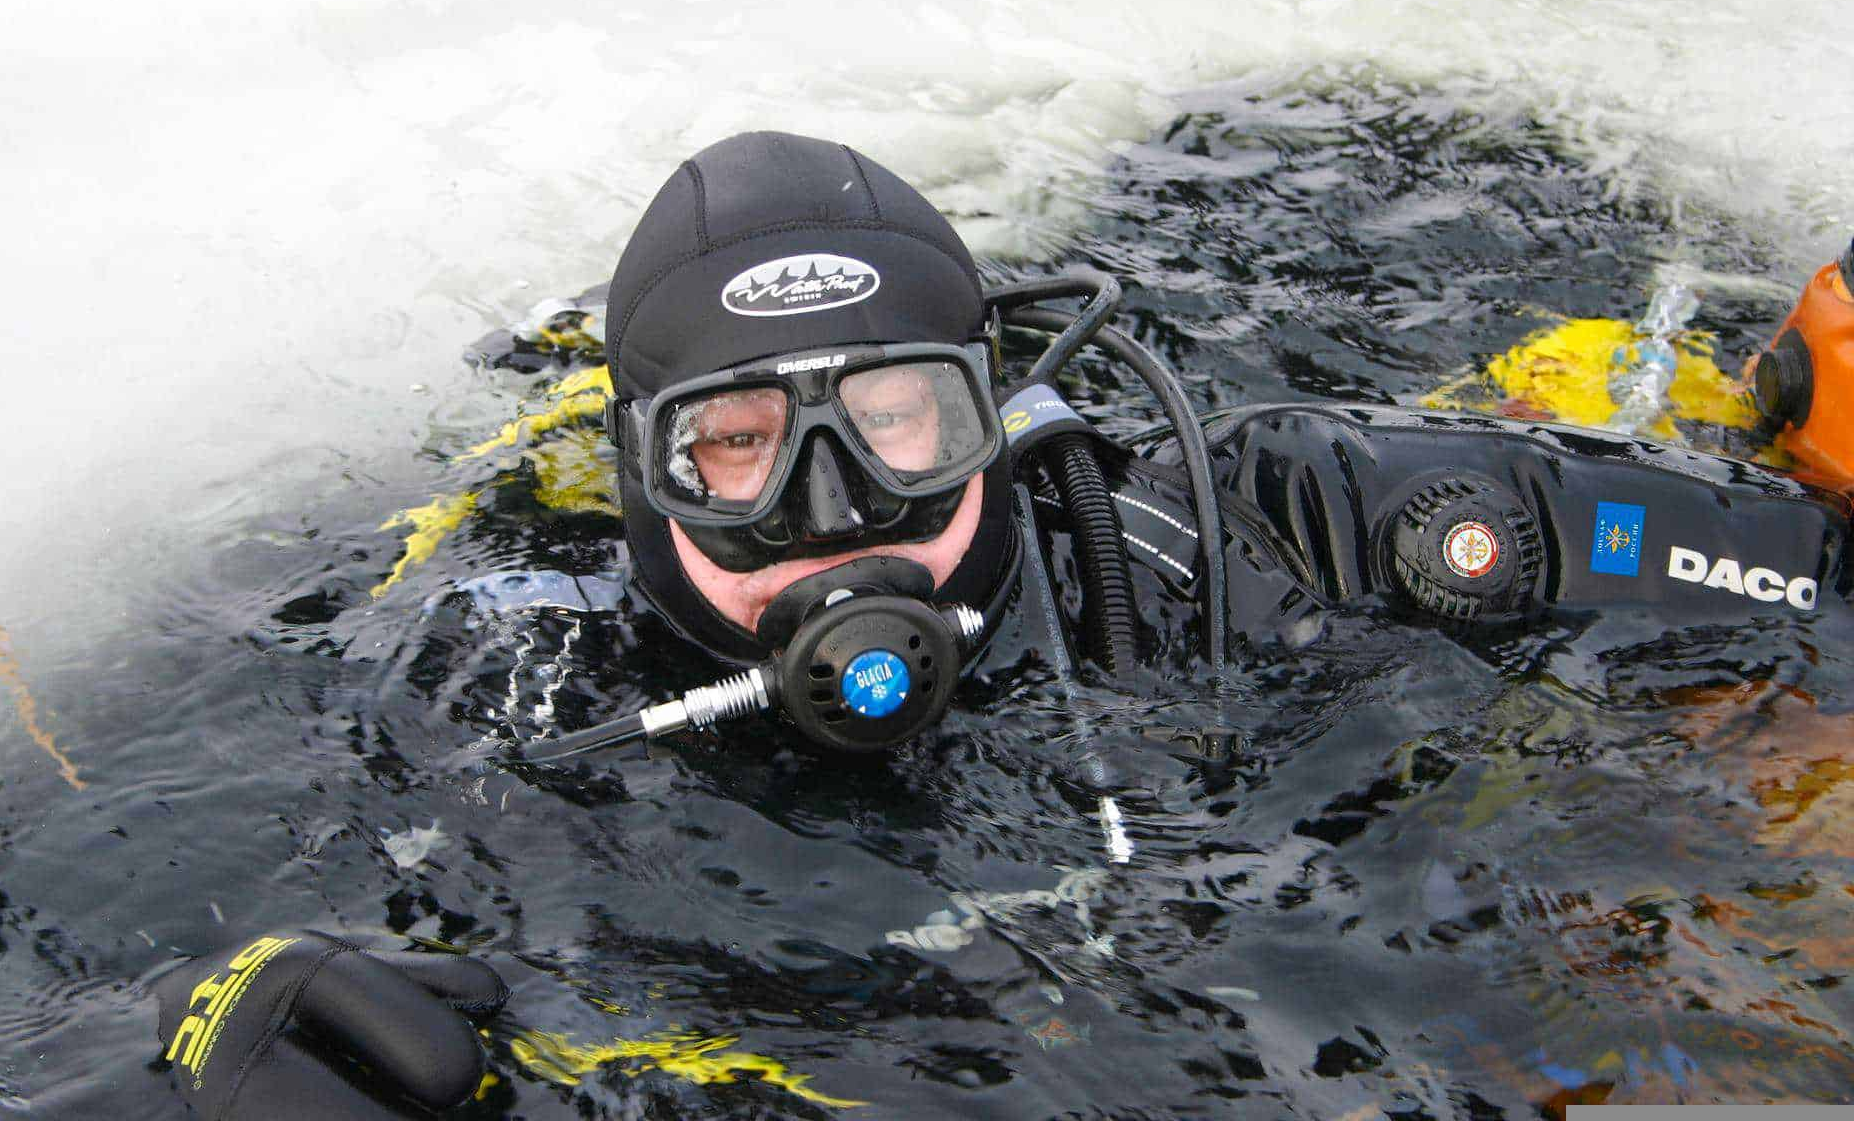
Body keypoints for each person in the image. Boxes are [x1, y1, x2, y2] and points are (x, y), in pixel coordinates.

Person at [149, 131, 1854, 1118]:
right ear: (638, 475)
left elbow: (1798, 579)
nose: (834, 510)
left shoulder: (1236, 522)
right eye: (737, 447)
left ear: (997, 407)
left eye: (898, 419)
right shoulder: (505, 691)